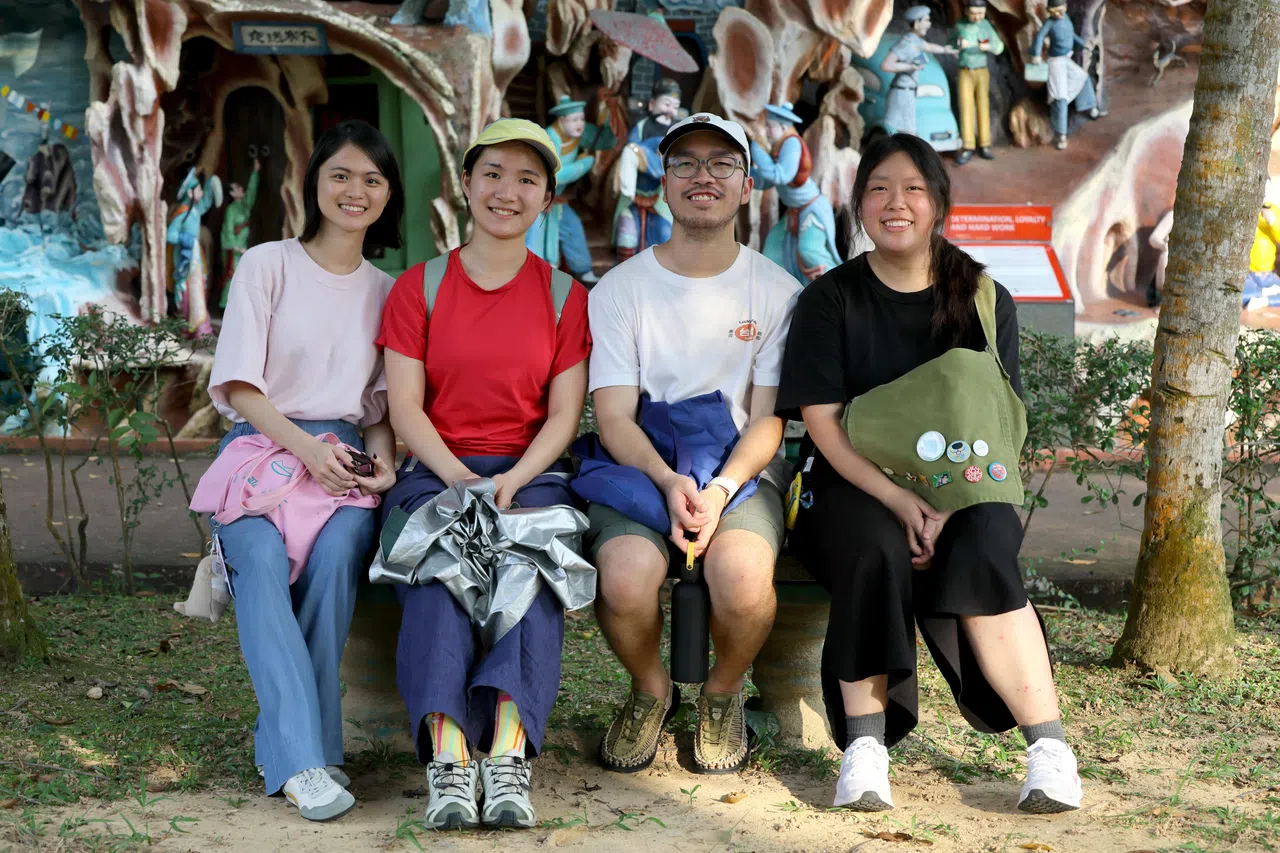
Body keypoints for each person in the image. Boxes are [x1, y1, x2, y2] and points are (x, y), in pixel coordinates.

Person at [775, 133, 1083, 815]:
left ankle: (1049, 748)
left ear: (939, 203)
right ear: (858, 205)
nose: (897, 202)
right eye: (880, 188)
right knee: (873, 544)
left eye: (914, 188)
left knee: (986, 537)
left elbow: (998, 418)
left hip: (963, 486)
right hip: (850, 482)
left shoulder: (980, 297)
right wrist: (898, 497)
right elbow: (823, 425)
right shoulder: (830, 300)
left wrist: (949, 501)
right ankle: (865, 744)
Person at [376, 118, 592, 831]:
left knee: (524, 570)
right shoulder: (419, 287)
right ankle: (448, 759)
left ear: (547, 200)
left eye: (527, 179)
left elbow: (563, 416)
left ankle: (505, 757)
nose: (508, 191)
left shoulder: (565, 295)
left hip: (530, 475)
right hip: (435, 471)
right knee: (440, 569)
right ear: (465, 185)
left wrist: (510, 480)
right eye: (493, 173)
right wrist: (460, 481)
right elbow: (405, 407)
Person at [587, 113, 800, 775]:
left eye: (721, 164)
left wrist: (718, 489)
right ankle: (650, 689)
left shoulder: (777, 291)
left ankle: (722, 691)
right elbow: (614, 415)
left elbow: (769, 420)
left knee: (740, 580)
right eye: (685, 163)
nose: (702, 176)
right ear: (662, 179)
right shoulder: (622, 289)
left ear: (745, 186)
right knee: (624, 577)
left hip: (739, 469)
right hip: (641, 464)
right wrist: (668, 480)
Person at [203, 119, 404, 821]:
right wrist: (306, 449)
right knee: (255, 556)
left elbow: (379, 402)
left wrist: (383, 464)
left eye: (372, 179)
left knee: (339, 555)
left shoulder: (389, 289)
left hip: (344, 460)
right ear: (314, 182)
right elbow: (241, 386)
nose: (355, 190)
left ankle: (297, 748)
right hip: (263, 449)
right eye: (341, 175)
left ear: (388, 195)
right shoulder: (267, 264)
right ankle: (307, 757)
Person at [749, 102, 841, 284]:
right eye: (766, 126)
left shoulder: (791, 143)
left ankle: (840, 287)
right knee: (773, 251)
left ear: (783, 126)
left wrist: (756, 149)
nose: (767, 131)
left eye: (770, 126)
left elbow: (781, 175)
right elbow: (767, 180)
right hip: (794, 212)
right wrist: (746, 174)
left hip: (811, 210)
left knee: (810, 250)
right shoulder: (779, 148)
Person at [526, 96, 600, 284]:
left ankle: (582, 270)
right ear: (561, 120)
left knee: (573, 227)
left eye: (582, 119)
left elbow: (605, 140)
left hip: (554, 199)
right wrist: (585, 163)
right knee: (534, 233)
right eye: (575, 119)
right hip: (535, 198)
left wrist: (607, 120)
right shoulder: (550, 138)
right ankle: (529, 275)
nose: (580, 123)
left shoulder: (575, 135)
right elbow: (555, 176)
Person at [614, 78, 683, 261]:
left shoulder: (677, 131)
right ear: (652, 104)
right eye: (666, 104)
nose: (670, 110)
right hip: (636, 193)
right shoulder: (641, 126)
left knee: (666, 235)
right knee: (626, 235)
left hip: (661, 196)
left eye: (675, 106)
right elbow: (631, 150)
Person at [1030, 0, 1104, 151]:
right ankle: (1061, 134)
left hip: (1066, 59)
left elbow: (1071, 34)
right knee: (1060, 97)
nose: (1058, 13)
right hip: (1055, 62)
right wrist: (1036, 54)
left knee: (1082, 77)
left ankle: (1089, 107)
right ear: (1049, 11)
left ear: (1065, 6)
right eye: (1054, 11)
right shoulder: (1050, 23)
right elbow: (1039, 38)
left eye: (1060, 9)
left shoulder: (1066, 19)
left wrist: (1080, 43)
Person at [879, 7, 958, 138]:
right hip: (901, 91)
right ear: (916, 23)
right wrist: (910, 66)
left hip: (909, 91)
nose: (929, 24)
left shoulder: (915, 40)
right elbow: (886, 65)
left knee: (909, 130)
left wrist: (947, 50)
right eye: (926, 20)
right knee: (893, 128)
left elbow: (929, 47)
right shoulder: (906, 43)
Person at [167, 167, 222, 337]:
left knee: (198, 291)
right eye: (197, 190)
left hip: (195, 259)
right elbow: (170, 235)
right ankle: (188, 328)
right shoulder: (182, 214)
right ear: (190, 194)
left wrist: (212, 183)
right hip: (184, 259)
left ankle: (200, 328)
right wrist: (186, 240)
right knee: (186, 293)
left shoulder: (195, 211)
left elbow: (206, 202)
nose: (200, 192)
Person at [950, 0, 1005, 165]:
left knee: (983, 106)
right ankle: (968, 146)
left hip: (982, 70)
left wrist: (988, 47)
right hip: (965, 70)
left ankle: (984, 144)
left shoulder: (986, 25)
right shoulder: (960, 25)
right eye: (973, 13)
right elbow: (949, 43)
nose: (977, 16)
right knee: (966, 107)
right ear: (967, 11)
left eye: (980, 13)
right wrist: (958, 44)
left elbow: (999, 46)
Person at [220, 157, 261, 308]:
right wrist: (236, 248)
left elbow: (251, 192)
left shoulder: (244, 205)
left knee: (244, 278)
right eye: (237, 188)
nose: (241, 189)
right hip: (235, 250)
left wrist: (255, 172)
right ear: (231, 193)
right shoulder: (231, 210)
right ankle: (226, 306)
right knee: (233, 276)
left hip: (243, 249)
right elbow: (227, 231)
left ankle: (237, 307)